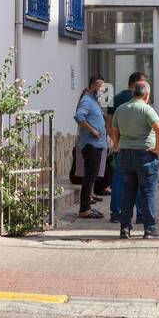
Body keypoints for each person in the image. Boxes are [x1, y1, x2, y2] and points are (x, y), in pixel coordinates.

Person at [109, 80, 159, 239]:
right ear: (146, 94)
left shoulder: (121, 109)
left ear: (134, 93)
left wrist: (118, 145)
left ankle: (125, 228)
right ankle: (150, 229)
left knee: (128, 192)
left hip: (125, 154)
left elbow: (114, 130)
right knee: (147, 192)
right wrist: (158, 149)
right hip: (145, 154)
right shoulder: (147, 109)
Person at [108, 72, 148, 225]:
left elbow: (110, 125)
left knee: (118, 181)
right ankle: (141, 215)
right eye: (144, 83)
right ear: (136, 84)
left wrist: (115, 143)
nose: (145, 86)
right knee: (138, 182)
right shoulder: (141, 99)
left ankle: (116, 212)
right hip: (138, 148)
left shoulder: (116, 99)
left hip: (121, 147)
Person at [74, 75, 108, 219]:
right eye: (100, 86)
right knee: (89, 176)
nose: (102, 90)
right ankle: (84, 209)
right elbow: (79, 116)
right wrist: (92, 130)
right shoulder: (87, 100)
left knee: (92, 176)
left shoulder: (95, 101)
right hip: (91, 144)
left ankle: (87, 205)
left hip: (98, 144)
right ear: (93, 86)